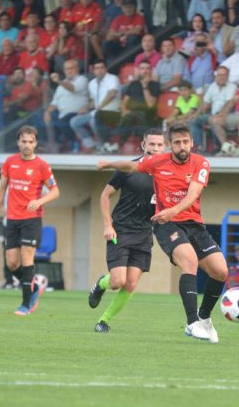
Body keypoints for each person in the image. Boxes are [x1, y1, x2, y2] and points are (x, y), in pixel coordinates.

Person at [97, 123, 228, 343]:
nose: (182, 146)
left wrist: (174, 210)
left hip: (193, 223)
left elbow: (194, 193)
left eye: (185, 142)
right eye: (177, 142)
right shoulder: (158, 161)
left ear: (192, 143)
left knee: (221, 271)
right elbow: (130, 167)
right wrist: (108, 163)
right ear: (170, 145)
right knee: (189, 261)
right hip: (166, 224)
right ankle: (191, 322)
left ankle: (204, 318)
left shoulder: (201, 163)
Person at [88, 129, 166, 333]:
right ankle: (100, 285)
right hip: (121, 230)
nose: (155, 149)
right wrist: (107, 225)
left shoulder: (167, 174)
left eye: (159, 145)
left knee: (130, 284)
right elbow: (105, 196)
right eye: (152, 144)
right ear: (143, 145)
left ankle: (103, 321)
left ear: (164, 147)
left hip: (144, 234)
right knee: (117, 282)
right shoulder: (128, 168)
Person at [0, 126, 59, 316]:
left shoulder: (42, 166)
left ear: (35, 143)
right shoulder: (10, 162)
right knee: (12, 263)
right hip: (11, 219)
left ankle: (25, 304)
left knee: (27, 259)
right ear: (18, 142)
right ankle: (34, 287)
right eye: (24, 141)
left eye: (31, 142)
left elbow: (55, 191)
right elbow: (1, 190)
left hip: (31, 220)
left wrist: (39, 201)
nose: (27, 145)